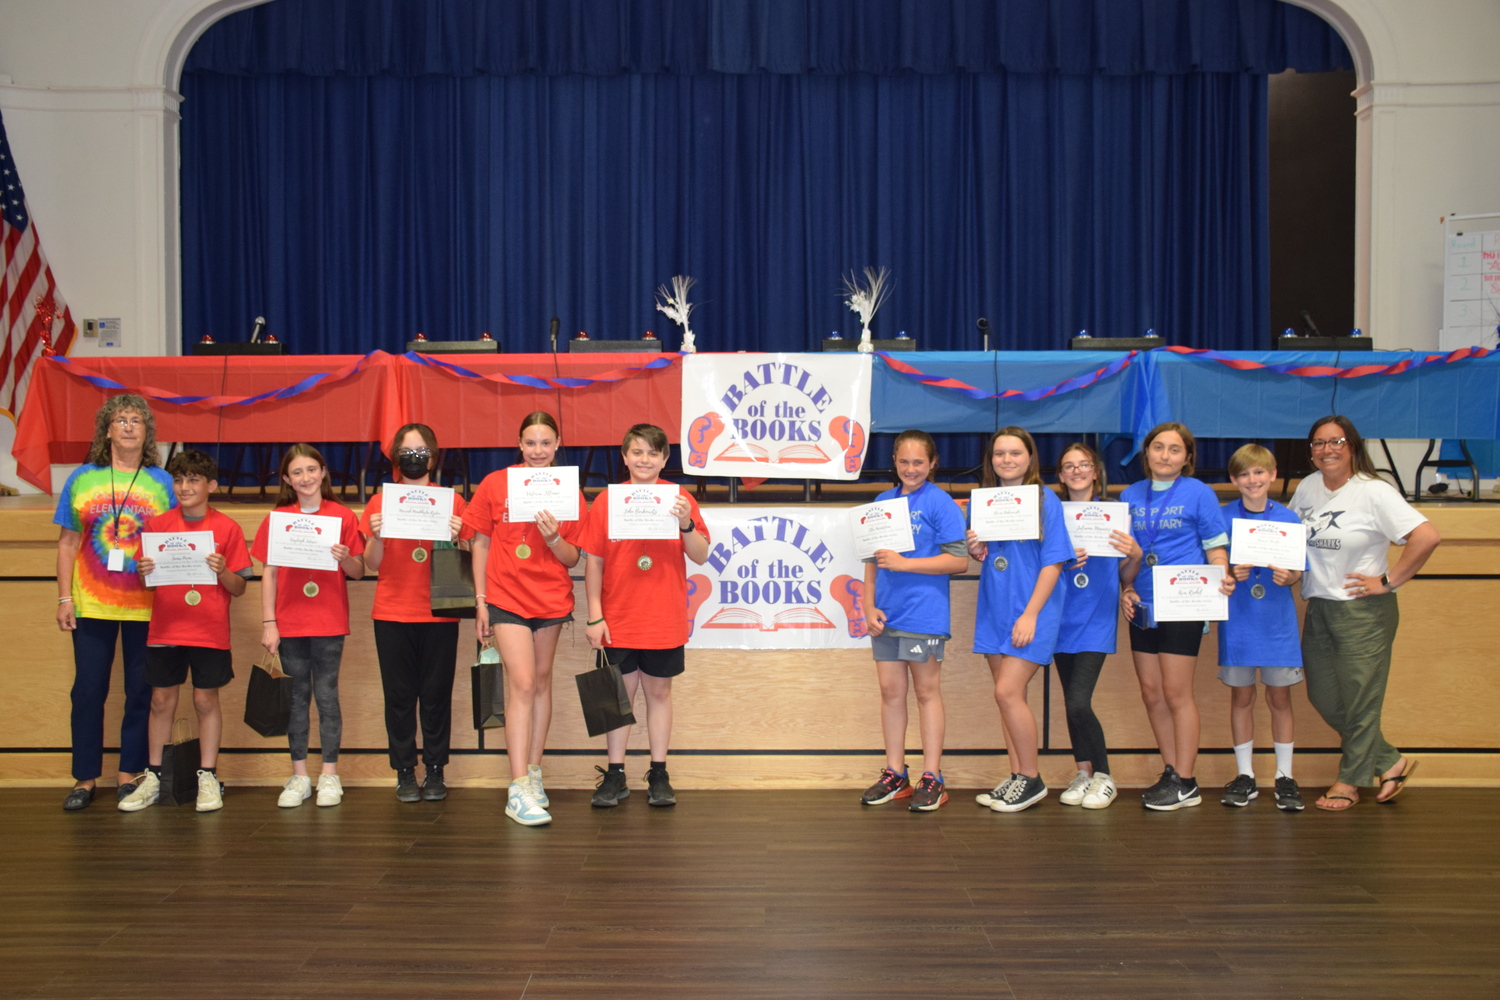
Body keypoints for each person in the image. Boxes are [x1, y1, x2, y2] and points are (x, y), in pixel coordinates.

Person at [1290, 416, 1439, 811]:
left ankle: (1350, 782)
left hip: (1364, 612)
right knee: (1323, 696)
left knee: (1361, 701)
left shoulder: (1374, 492)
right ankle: (1390, 761)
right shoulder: (1307, 488)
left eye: (1336, 441)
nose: (1327, 449)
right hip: (1318, 606)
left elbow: (1426, 536)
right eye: (1318, 443)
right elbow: (1287, 540)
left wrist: (1388, 581)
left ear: (1353, 446)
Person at [464, 412, 588, 827]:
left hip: (551, 599)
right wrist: (481, 601)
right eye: (531, 443)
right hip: (505, 597)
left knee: (541, 681)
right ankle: (516, 787)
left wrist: (554, 537)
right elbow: (478, 544)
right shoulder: (496, 484)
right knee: (521, 683)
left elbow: (573, 557)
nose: (538, 450)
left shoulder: (569, 490)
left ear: (557, 445)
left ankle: (534, 772)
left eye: (546, 443)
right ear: (519, 444)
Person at [55, 393, 177, 812]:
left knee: (140, 692)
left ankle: (131, 774)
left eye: (137, 421)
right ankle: (84, 778)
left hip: (147, 604)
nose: (128, 426)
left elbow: (173, 537)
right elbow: (68, 542)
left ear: (147, 434)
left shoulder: (161, 482)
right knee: (87, 691)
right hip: (91, 605)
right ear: (107, 430)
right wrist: (64, 597)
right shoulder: (83, 478)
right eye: (120, 420)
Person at [582, 424, 709, 808]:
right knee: (616, 698)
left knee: (658, 693)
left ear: (665, 459)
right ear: (624, 457)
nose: (644, 460)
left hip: (663, 616)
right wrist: (593, 616)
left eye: (653, 454)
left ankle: (658, 771)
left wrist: (686, 522)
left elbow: (701, 555)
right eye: (636, 452)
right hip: (617, 617)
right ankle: (615, 773)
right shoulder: (606, 501)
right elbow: (594, 563)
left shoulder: (680, 498)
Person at [122, 450, 252, 813]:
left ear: (210, 485)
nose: (184, 487)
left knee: (204, 700)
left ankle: (208, 776)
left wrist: (222, 570)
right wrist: (146, 570)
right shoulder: (159, 525)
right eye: (178, 480)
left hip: (209, 630)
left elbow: (239, 587)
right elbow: (148, 585)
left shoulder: (227, 528)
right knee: (161, 701)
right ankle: (154, 776)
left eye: (193, 479)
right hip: (166, 628)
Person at [1120, 422, 1234, 811]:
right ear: (1146, 452)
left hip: (1184, 601)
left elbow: (1215, 546)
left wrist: (1223, 574)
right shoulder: (1130, 494)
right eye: (1157, 447)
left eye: (1174, 449)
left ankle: (1186, 780)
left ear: (1187, 458)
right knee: (1152, 693)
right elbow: (1128, 557)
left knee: (1176, 692)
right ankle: (1172, 771)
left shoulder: (1199, 493)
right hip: (1144, 604)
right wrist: (1127, 589)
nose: (1164, 455)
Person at [859, 430, 968, 812]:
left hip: (924, 614)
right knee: (891, 693)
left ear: (933, 463)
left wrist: (907, 564)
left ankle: (933, 776)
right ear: (894, 463)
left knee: (926, 693)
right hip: (886, 616)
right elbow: (871, 561)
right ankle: (895, 773)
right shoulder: (882, 501)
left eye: (918, 462)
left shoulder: (941, 504)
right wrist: (868, 605)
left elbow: (959, 561)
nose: (910, 469)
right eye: (903, 462)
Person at [360, 424, 470, 805]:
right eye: (406, 451)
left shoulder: (452, 502)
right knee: (400, 697)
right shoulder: (379, 503)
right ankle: (405, 771)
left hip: (440, 611)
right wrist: (376, 536)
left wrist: (460, 538)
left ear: (433, 455)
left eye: (421, 450)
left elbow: (465, 560)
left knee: (437, 696)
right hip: (391, 611)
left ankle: (436, 770)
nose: (414, 457)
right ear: (394, 456)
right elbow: (371, 565)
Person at [253, 444, 365, 808]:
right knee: (296, 699)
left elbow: (359, 571)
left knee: (328, 696)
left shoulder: (343, 517)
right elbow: (268, 573)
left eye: (311, 470)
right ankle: (299, 775)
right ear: (286, 479)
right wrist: (269, 623)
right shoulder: (277, 519)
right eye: (297, 472)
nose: (305, 478)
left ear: (323, 472)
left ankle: (330, 775)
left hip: (329, 620)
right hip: (289, 623)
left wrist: (345, 558)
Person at [967, 427, 1073, 814]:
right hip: (995, 610)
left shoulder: (1045, 500)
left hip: (1031, 612)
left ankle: (1031, 778)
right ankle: (1016, 777)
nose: (1006, 460)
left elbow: (1054, 560)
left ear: (1030, 457)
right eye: (999, 453)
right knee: (1009, 699)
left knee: (1007, 693)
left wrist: (1031, 614)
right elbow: (993, 556)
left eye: (1015, 453)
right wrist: (977, 549)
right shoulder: (984, 501)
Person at [1217, 444, 1306, 812]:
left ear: (1271, 475)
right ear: (1234, 480)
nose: (1252, 480)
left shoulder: (1289, 518)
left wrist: (1290, 577)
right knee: (1241, 697)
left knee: (1280, 697)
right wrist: (1228, 573)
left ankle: (1284, 776)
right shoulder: (1222, 517)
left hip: (1276, 623)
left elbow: (1299, 570)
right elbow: (1212, 567)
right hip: (1237, 622)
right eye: (1244, 474)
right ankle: (1245, 775)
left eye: (1259, 472)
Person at [1048, 441, 1135, 811]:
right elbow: (1042, 566)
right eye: (1069, 466)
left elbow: (1126, 574)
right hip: (1059, 618)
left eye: (1084, 465)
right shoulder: (1051, 515)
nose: (1077, 471)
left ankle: (1104, 775)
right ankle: (1083, 773)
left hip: (1096, 619)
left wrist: (1134, 554)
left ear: (1096, 471)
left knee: (1079, 701)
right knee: (1071, 703)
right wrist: (1062, 559)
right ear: (1061, 475)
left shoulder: (1115, 513)